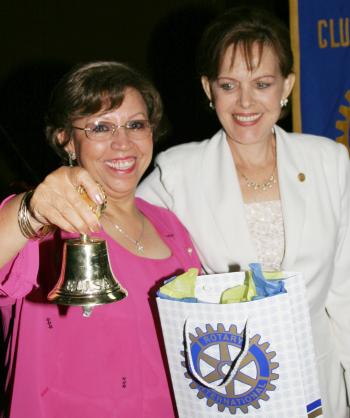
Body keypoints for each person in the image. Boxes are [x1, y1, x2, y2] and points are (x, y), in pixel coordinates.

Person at [137, 7, 350, 418]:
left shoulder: (330, 162)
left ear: (287, 86)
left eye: (263, 83)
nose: (246, 102)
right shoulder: (177, 172)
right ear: (208, 88)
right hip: (227, 390)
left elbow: (345, 291)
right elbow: (120, 232)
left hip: (319, 390)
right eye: (229, 85)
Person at [0, 61, 201, 418]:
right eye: (100, 127)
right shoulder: (45, 221)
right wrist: (30, 211)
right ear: (67, 139)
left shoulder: (170, 225)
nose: (122, 142)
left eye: (136, 125)